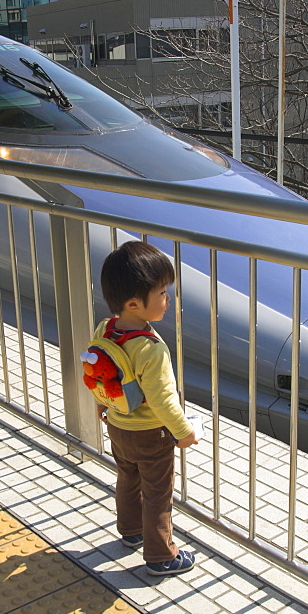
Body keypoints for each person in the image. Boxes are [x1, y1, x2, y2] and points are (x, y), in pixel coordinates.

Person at [95, 240, 198, 577]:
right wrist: (183, 432)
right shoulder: (150, 349)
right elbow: (162, 399)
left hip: (117, 424)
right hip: (151, 434)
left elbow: (99, 370)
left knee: (127, 479)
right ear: (135, 303)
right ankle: (161, 556)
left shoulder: (106, 328)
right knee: (157, 493)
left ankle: (130, 532)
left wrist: (103, 405)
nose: (168, 300)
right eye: (163, 293)